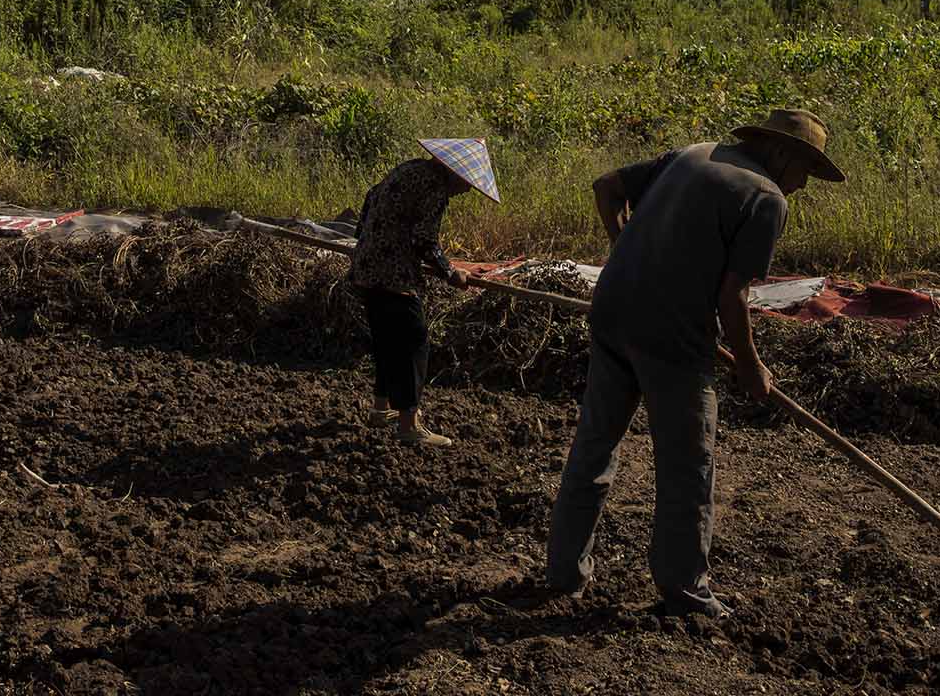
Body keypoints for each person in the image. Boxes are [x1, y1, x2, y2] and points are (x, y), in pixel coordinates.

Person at [545, 109, 844, 618]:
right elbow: (734, 298)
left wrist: (626, 253)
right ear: (780, 155)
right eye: (805, 173)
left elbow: (605, 187)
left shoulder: (694, 153)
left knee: (595, 446)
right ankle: (686, 590)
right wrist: (751, 367)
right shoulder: (766, 198)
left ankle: (564, 574)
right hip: (673, 339)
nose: (803, 186)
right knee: (688, 466)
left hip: (613, 310)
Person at [347, 137, 500, 449]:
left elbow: (369, 198)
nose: (467, 190)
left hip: (366, 266)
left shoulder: (409, 169)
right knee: (413, 342)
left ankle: (381, 408)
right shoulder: (434, 186)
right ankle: (409, 424)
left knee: (386, 340)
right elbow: (424, 239)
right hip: (395, 276)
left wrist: (366, 242)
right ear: (453, 171)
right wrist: (450, 271)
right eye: (467, 182)